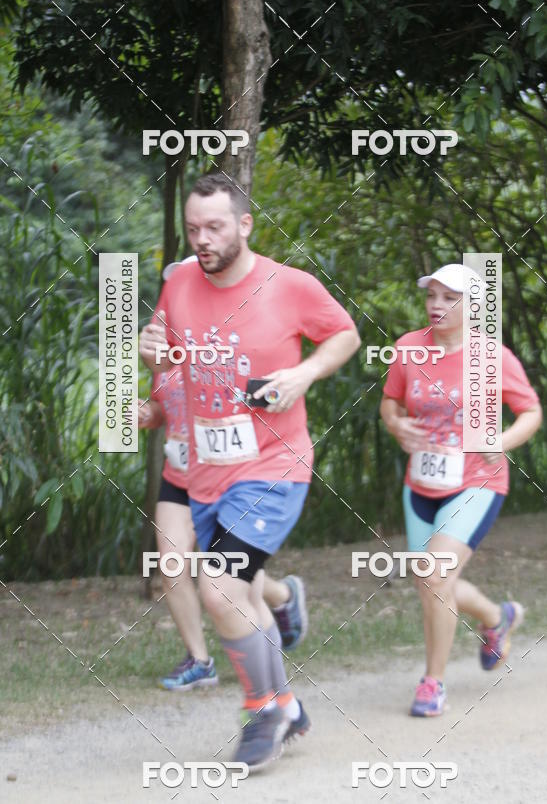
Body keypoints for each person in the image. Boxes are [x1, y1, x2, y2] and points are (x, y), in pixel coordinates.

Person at [139, 172, 360, 768]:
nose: (201, 240)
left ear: (244, 224)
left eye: (213, 227)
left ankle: (263, 710)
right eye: (192, 230)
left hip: (273, 465)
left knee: (221, 587)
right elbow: (158, 344)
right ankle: (286, 702)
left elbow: (344, 334)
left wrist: (304, 374)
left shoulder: (288, 286)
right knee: (243, 597)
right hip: (207, 469)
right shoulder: (182, 281)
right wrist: (149, 352)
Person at [138, 260, 312, 691]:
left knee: (222, 572)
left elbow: (264, 395)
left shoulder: (228, 349)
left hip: (232, 475)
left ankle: (281, 600)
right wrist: (146, 414)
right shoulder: (163, 359)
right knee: (174, 562)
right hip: (180, 473)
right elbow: (162, 408)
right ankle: (199, 660)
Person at [380, 263, 542, 717]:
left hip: (477, 481)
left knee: (434, 575)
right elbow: (390, 403)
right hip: (422, 483)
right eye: (431, 296)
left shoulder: (493, 356)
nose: (436, 305)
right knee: (431, 581)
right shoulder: (408, 348)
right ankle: (497, 617)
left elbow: (530, 412)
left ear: (473, 306)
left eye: (448, 298)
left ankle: (432, 683)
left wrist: (500, 441)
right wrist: (397, 425)